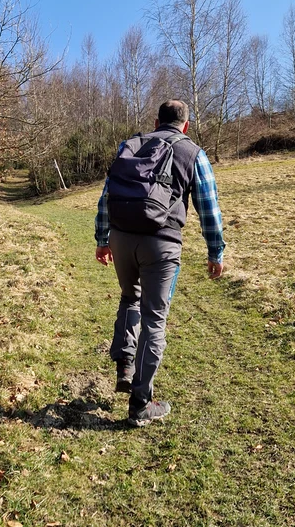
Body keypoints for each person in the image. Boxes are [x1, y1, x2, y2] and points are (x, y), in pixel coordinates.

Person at [94, 100, 226, 427]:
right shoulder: (193, 153)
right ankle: (141, 405)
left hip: (122, 237)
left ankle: (125, 365)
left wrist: (102, 238)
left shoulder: (131, 144)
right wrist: (215, 252)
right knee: (155, 318)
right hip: (161, 244)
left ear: (156, 122)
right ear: (186, 125)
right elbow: (208, 207)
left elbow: (107, 194)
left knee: (130, 298)